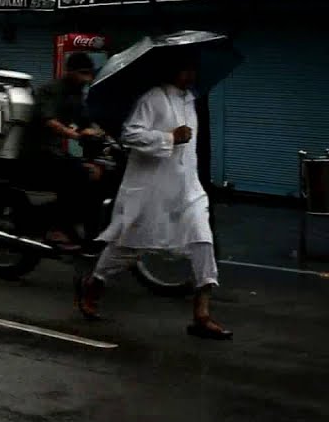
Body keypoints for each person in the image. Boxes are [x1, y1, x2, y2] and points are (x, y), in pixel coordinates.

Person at [78, 54, 231, 340]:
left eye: (193, 70)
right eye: (186, 69)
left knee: (203, 242)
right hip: (151, 189)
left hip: (187, 188)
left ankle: (202, 314)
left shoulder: (190, 101)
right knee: (129, 247)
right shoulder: (152, 98)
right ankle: (94, 284)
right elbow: (130, 135)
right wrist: (169, 137)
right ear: (172, 70)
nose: (191, 76)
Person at [29, 52, 105, 247]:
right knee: (78, 174)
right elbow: (49, 121)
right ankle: (57, 228)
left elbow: (85, 120)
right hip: (37, 152)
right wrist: (75, 135)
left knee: (98, 173)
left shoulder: (77, 94)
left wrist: (101, 134)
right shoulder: (50, 90)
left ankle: (90, 232)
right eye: (82, 73)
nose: (86, 79)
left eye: (89, 74)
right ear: (69, 71)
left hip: (55, 151)